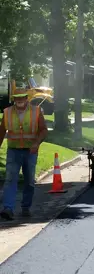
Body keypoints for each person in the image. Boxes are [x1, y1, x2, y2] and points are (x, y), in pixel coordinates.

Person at [0, 89, 48, 220]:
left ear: (27, 98)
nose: (19, 100)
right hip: (13, 150)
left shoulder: (36, 111)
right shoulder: (7, 112)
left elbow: (43, 130)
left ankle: (26, 207)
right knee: (10, 179)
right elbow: (2, 131)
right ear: (13, 99)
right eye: (16, 98)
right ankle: (8, 209)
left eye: (22, 97)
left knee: (29, 180)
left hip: (30, 151)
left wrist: (36, 143)